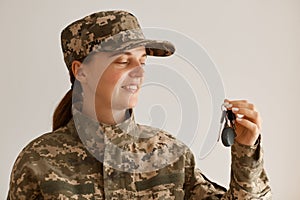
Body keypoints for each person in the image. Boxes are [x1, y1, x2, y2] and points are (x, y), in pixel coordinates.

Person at [7, 10, 272, 199]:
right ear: (81, 71)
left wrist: (246, 152)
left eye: (142, 61)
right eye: (123, 61)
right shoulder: (38, 162)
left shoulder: (170, 155)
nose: (139, 72)